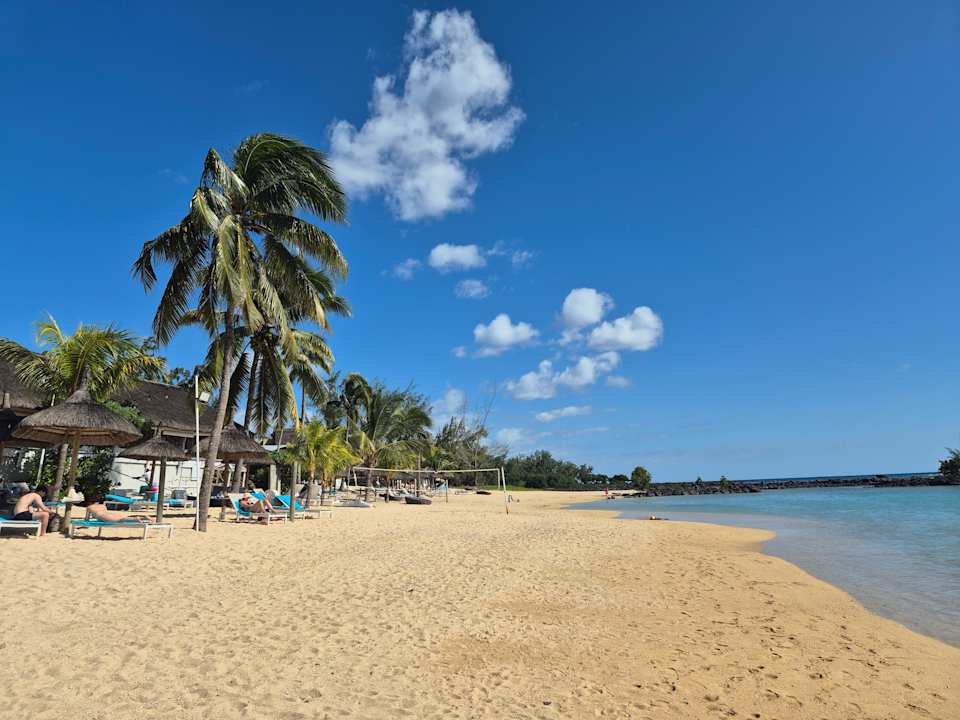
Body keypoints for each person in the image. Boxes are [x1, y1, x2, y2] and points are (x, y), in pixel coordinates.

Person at [83, 497, 150, 524]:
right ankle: (142, 518)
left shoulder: (89, 507)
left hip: (104, 517)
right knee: (120, 518)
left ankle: (137, 519)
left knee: (120, 520)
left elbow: (87, 519)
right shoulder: (102, 505)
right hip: (109, 514)